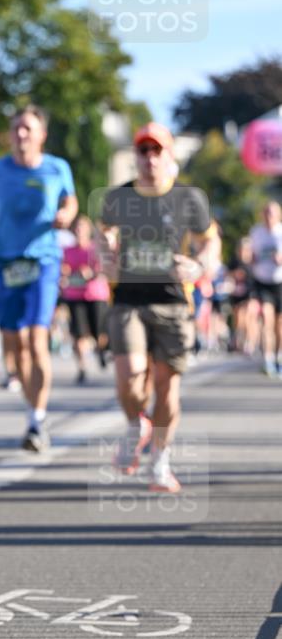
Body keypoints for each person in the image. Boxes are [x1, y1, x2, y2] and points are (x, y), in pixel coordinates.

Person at [99, 122, 219, 492]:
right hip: (129, 298)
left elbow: (210, 242)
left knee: (168, 389)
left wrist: (199, 266)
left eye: (157, 150)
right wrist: (105, 252)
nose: (150, 157)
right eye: (143, 150)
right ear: (135, 157)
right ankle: (138, 423)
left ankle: (160, 461)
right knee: (130, 375)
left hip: (172, 300)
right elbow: (102, 235)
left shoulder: (188, 198)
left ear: (169, 156)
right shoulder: (118, 198)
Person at [0, 105, 78, 451]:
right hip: (6, 263)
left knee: (36, 338)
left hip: (43, 261)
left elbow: (71, 202)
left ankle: (37, 420)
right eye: (16, 129)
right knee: (14, 344)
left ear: (41, 135)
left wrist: (65, 214)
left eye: (28, 129)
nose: (21, 135)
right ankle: (32, 407)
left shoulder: (56, 168)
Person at [60, 215, 110, 383]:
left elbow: (104, 270)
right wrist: (64, 274)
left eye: (82, 227)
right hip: (74, 295)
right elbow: (62, 271)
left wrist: (91, 273)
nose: (79, 231)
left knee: (99, 332)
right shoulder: (67, 251)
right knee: (78, 334)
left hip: (95, 295)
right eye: (77, 228)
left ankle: (101, 350)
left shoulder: (95, 249)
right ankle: (82, 368)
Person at [248, 201, 282, 378]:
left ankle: (279, 358)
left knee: (279, 326)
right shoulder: (256, 232)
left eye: (272, 213)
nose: (269, 216)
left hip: (279, 282)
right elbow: (250, 255)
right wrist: (251, 258)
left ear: (278, 215)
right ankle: (268, 360)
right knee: (267, 321)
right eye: (266, 213)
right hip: (262, 281)